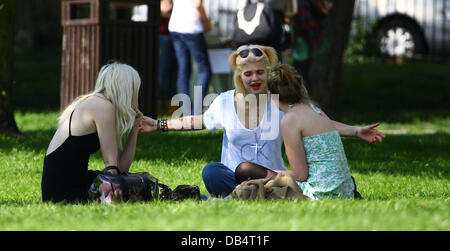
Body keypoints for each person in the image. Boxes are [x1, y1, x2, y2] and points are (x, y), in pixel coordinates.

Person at [139, 44, 384, 198]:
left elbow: (319, 125)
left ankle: (248, 195)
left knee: (256, 180)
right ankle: (242, 193)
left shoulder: (282, 101)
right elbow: (200, 121)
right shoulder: (224, 101)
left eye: (260, 72)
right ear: (239, 76)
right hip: (234, 177)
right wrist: (159, 124)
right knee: (211, 172)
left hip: (273, 178)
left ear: (269, 73)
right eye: (248, 73)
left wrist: (356, 131)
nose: (254, 78)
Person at [268, 64, 384, 199]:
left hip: (321, 193)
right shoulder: (314, 110)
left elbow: (300, 175)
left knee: (252, 174)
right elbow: (326, 126)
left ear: (271, 94)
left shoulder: (289, 120)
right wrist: (357, 131)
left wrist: (269, 172)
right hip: (346, 192)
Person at [41, 62, 143, 203]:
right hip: (64, 192)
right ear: (125, 88)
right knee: (136, 187)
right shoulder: (102, 106)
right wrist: (113, 190)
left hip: (74, 181)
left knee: (136, 183)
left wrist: (135, 128)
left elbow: (121, 168)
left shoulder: (99, 103)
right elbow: (112, 166)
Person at [168, 0, 212, 112]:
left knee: (183, 69)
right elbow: (198, 4)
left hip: (175, 26)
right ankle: (196, 111)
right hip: (192, 27)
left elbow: (164, 7)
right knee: (205, 70)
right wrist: (206, 21)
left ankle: (186, 111)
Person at [157, 0, 178, 116]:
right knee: (162, 73)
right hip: (165, 38)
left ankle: (172, 108)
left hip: (177, 38)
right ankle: (158, 107)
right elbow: (162, 11)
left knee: (174, 74)